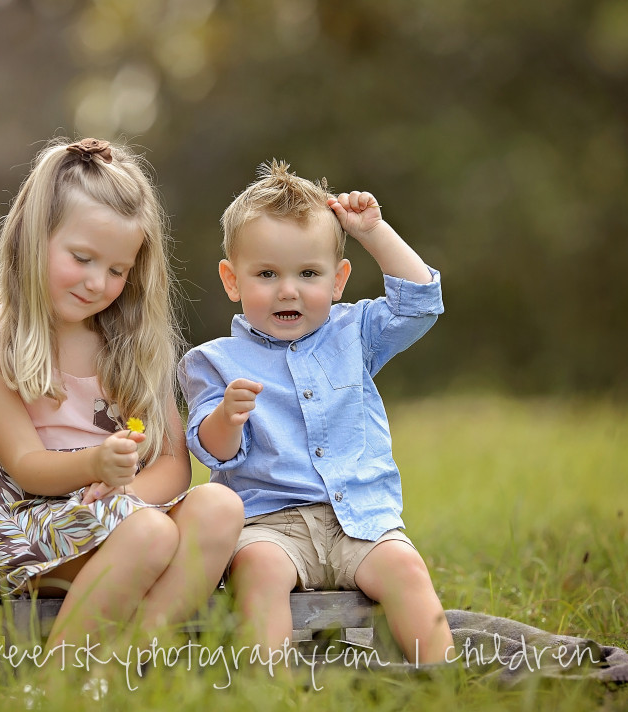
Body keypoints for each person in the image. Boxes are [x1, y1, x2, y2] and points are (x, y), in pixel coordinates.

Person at [0, 137, 244, 648]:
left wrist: (125, 500)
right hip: (28, 527)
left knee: (219, 506)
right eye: (82, 258)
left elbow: (174, 466)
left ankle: (134, 659)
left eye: (117, 270)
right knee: (149, 534)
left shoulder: (130, 346)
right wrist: (96, 467)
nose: (97, 283)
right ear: (31, 236)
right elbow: (24, 463)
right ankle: (60, 680)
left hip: (119, 513)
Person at [178, 160, 454, 664]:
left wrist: (372, 231)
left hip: (360, 520)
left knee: (408, 571)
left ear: (338, 279)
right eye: (267, 274)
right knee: (257, 574)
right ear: (231, 280)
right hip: (271, 524)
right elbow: (209, 450)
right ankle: (272, 696)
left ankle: (440, 681)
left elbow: (420, 304)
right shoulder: (214, 362)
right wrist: (228, 418)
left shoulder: (356, 333)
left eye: (308, 273)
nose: (289, 289)